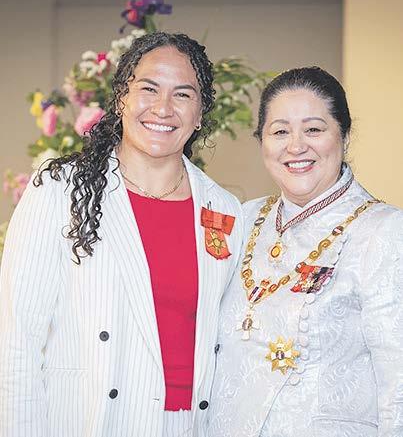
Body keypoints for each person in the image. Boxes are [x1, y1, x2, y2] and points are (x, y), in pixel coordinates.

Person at [0, 32, 243, 437]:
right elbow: (15, 341)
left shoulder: (224, 210)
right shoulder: (60, 190)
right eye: (148, 88)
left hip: (191, 424)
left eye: (183, 95)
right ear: (121, 99)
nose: (163, 108)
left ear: (200, 113)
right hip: (90, 420)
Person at [208, 67, 403, 437]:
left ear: (344, 135)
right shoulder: (243, 219)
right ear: (262, 142)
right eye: (280, 131)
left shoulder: (384, 231)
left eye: (313, 129)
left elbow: (399, 382)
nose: (296, 146)